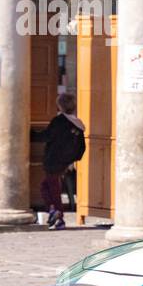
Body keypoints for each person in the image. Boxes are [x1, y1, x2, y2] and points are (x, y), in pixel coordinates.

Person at [38, 93, 86, 229]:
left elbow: (47, 136)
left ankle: (58, 214)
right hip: (65, 161)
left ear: (60, 106)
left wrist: (29, 134)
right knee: (47, 185)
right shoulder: (78, 125)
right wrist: (72, 160)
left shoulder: (59, 121)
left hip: (53, 158)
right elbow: (81, 147)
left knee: (52, 187)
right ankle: (53, 210)